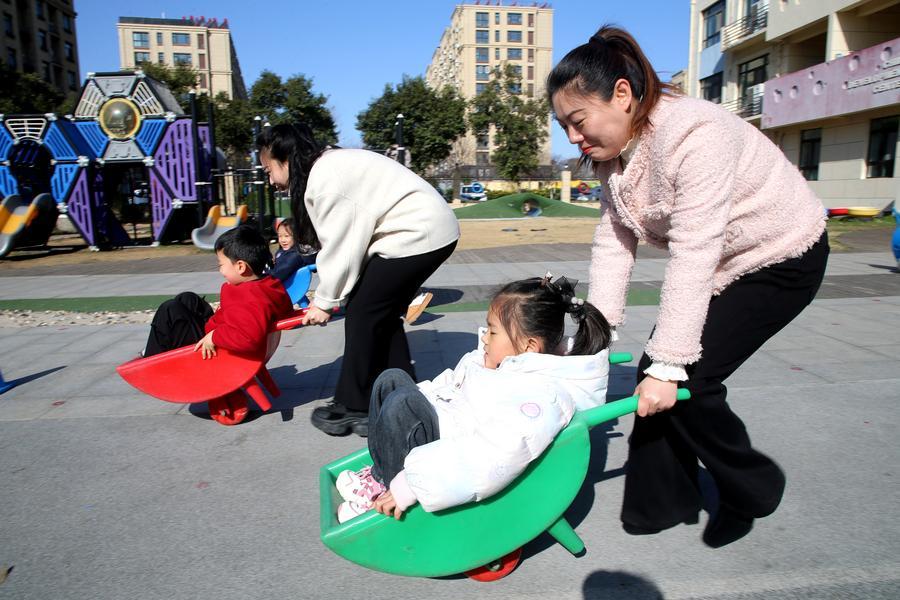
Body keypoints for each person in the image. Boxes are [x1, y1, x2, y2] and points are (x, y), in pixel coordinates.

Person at [548, 26, 829, 547]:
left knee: (685, 382)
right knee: (654, 381)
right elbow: (613, 242)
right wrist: (596, 335)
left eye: (577, 121)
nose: (571, 138)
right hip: (728, 262)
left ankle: (754, 489)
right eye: (563, 126)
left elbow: (694, 249)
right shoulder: (617, 158)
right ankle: (660, 506)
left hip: (784, 256)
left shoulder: (696, 132)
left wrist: (672, 362)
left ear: (623, 95)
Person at [332, 275, 612, 523]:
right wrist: (422, 397)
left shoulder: (539, 395)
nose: (485, 338)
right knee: (391, 379)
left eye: (492, 331)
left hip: (445, 455)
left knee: (401, 404)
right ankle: (381, 471)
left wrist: (409, 485)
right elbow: (451, 384)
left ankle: (385, 488)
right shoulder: (492, 361)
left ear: (528, 347)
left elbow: (493, 453)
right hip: (445, 423)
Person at [256, 124, 460, 437]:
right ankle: (399, 395)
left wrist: (325, 301)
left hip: (420, 233)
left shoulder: (325, 180)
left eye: (269, 169)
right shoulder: (323, 170)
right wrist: (331, 295)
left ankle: (355, 407)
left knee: (365, 312)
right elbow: (347, 245)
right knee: (379, 311)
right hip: (418, 231)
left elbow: (343, 246)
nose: (270, 180)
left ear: (285, 158)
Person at [143, 225, 294, 359]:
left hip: (217, 351)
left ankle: (151, 359)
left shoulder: (248, 296)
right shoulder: (268, 284)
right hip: (221, 333)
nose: (220, 270)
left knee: (170, 310)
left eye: (221, 265)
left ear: (241, 267)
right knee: (188, 299)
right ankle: (158, 348)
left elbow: (247, 338)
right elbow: (284, 310)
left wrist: (214, 336)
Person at [267, 217, 318, 284]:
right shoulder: (283, 251)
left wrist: (263, 275)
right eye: (280, 236)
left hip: (288, 287)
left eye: (286, 236)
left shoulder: (295, 255)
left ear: (297, 236)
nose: (283, 240)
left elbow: (280, 272)